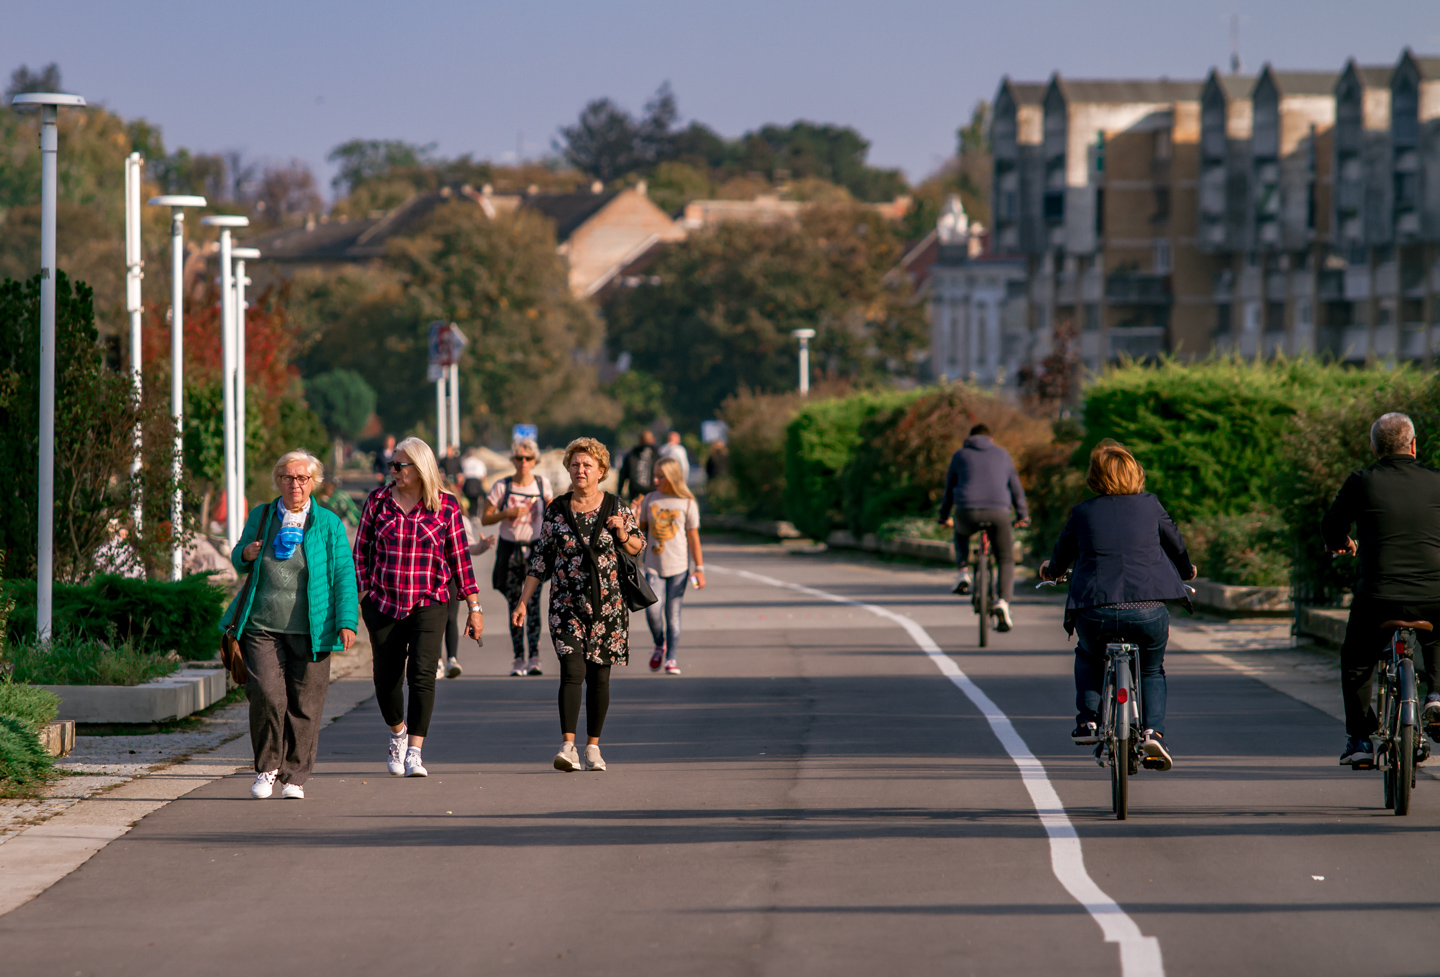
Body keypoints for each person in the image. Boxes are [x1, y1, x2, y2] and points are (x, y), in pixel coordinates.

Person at [1038, 440, 1197, 771]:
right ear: (1135, 473)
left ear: (1094, 477)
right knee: (1152, 668)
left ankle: (1088, 722)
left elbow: (1061, 556)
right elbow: (1176, 545)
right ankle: (1153, 731)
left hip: (1096, 610)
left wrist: (1050, 573)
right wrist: (1186, 569)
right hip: (1148, 609)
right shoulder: (1150, 505)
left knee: (1088, 655)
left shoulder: (1082, 513)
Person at [219, 450, 358, 801]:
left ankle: (294, 775)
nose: (294, 484)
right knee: (266, 694)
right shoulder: (262, 515)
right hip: (261, 624)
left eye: (302, 478)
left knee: (306, 704)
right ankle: (267, 768)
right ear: (278, 480)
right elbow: (238, 557)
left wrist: (346, 621)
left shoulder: (328, 524)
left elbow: (344, 575)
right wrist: (245, 554)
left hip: (314, 627)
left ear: (313, 483)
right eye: (287, 477)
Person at [354, 437, 483, 778]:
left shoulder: (446, 507)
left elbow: (460, 559)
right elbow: (361, 552)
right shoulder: (378, 501)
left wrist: (474, 606)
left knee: (423, 675)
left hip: (429, 601)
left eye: (399, 465)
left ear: (418, 467)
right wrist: (365, 595)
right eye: (391, 465)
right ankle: (397, 733)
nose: (392, 471)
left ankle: (414, 750)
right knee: (386, 679)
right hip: (383, 602)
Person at [514, 437, 643, 773]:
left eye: (587, 465)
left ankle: (593, 747)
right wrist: (523, 601)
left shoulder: (617, 507)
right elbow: (541, 558)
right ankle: (568, 746)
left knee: (599, 679)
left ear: (601, 471)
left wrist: (622, 533)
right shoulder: (557, 508)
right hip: (566, 605)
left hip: (607, 607)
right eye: (575, 464)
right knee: (572, 672)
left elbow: (637, 547)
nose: (580, 470)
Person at [1322, 412, 1440, 767]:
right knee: (1437, 634)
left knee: (1357, 660)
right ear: (1414, 445)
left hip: (1378, 597)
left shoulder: (1362, 481)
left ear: (1374, 448)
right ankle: (1435, 695)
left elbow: (1331, 527)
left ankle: (1359, 739)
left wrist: (1341, 542)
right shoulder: (1436, 481)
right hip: (1433, 595)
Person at [938, 423, 1029, 631]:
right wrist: (1023, 515)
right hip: (999, 512)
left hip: (966, 511)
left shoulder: (960, 455)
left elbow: (949, 490)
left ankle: (963, 572)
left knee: (960, 532)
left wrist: (943, 517)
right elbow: (1016, 488)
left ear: (970, 438)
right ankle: (1003, 602)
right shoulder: (1003, 455)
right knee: (1005, 558)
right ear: (991, 439)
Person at [483, 438, 554, 676]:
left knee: (532, 604)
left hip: (534, 549)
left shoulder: (542, 485)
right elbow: (485, 517)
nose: (523, 462)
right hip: (510, 549)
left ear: (535, 461)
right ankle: (518, 657)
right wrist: (507, 513)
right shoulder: (502, 486)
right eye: (519, 458)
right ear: (513, 460)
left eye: (528, 458)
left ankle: (534, 655)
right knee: (515, 604)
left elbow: (554, 515)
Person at [638, 457, 704, 674]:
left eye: (661, 476)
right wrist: (635, 515)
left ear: (673, 477)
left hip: (679, 568)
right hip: (653, 566)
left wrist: (699, 569)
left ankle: (671, 658)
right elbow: (640, 532)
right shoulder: (650, 499)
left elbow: (693, 538)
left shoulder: (687, 503)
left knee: (672, 614)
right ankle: (660, 643)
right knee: (652, 611)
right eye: (654, 475)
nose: (655, 480)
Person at [438, 509, 497, 680]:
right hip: (432, 578)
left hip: (451, 577)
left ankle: (452, 659)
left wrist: (481, 546)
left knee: (450, 618)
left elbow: (466, 547)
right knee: (434, 620)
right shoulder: (426, 513)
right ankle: (438, 661)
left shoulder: (459, 518)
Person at [617, 429, 658, 503]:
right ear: (653, 440)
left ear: (640, 440)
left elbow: (623, 475)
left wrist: (619, 492)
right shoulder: (658, 456)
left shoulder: (632, 455)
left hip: (635, 495)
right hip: (653, 495)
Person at [460, 448, 488, 516]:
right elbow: (483, 476)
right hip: (476, 482)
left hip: (468, 482)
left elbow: (461, 476)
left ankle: (468, 513)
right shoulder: (480, 462)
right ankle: (479, 512)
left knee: (467, 499)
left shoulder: (464, 461)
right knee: (477, 498)